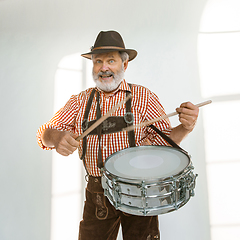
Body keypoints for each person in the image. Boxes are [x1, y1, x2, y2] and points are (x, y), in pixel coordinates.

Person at [36, 30, 199, 240]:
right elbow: (43, 134)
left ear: (125, 64)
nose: (104, 68)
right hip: (97, 195)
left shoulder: (143, 97)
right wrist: (56, 138)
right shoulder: (80, 102)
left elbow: (165, 143)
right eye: (98, 61)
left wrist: (186, 127)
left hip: (141, 192)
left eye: (111, 60)